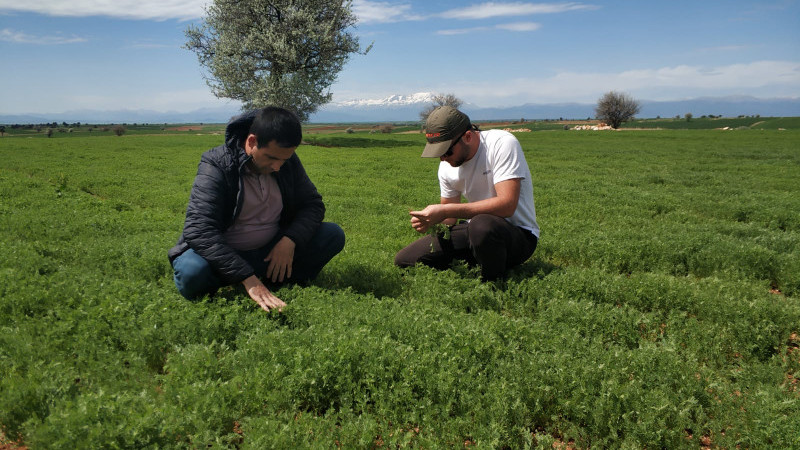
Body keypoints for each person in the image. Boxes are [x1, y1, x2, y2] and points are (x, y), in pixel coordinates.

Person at [168, 106, 345, 312]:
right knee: (192, 272)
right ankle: (253, 280)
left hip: (270, 250)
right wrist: (245, 275)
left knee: (332, 235)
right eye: (271, 158)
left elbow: (312, 205)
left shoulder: (286, 161)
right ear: (252, 142)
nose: (278, 166)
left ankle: (278, 277)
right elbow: (198, 229)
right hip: (227, 252)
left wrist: (290, 240)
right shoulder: (216, 164)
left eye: (284, 159)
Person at [394, 106, 539, 281]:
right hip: (473, 232)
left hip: (518, 235)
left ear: (468, 137)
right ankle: (478, 261)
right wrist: (433, 221)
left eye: (446, 151)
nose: (442, 158)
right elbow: (449, 219)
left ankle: (494, 286)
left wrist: (445, 211)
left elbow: (507, 205)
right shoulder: (446, 166)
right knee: (405, 260)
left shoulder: (502, 143)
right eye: (438, 153)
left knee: (481, 225)